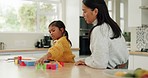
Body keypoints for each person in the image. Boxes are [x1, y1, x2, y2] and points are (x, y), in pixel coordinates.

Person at [75, 0, 129, 69]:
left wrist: (86, 61)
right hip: (121, 71)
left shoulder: (99, 30)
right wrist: (86, 60)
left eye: (84, 11)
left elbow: (99, 64)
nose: (83, 15)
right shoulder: (110, 26)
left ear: (95, 11)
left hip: (110, 73)